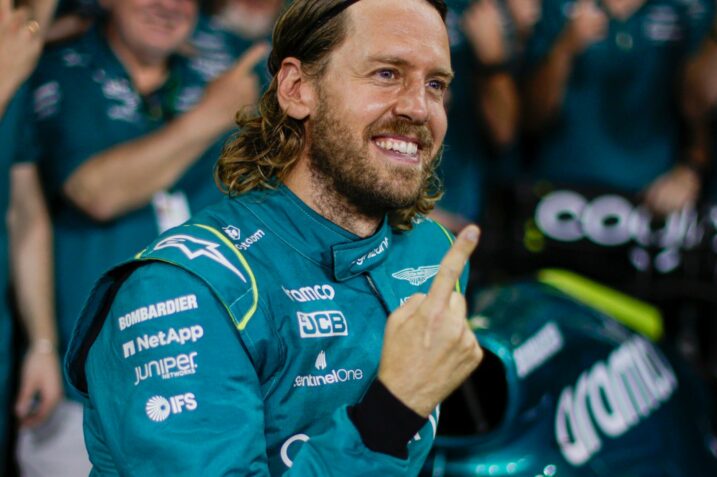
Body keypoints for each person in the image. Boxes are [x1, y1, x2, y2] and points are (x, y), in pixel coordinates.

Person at [65, 0, 484, 474]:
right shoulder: (181, 289)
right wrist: (392, 413)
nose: (419, 107)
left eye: (435, 84)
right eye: (386, 74)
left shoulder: (433, 252)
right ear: (296, 89)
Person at [18, 0, 265, 473]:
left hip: (211, 378)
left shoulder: (228, 64)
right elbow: (95, 191)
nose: (168, 6)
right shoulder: (62, 67)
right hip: (88, 386)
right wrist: (211, 116)